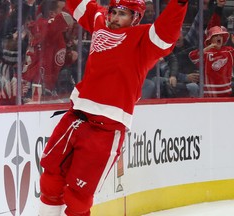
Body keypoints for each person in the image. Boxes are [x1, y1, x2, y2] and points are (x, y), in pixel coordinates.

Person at [38, 0, 188, 215]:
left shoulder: (144, 41)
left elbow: (166, 33)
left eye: (122, 14)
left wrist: (179, 4)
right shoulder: (100, 21)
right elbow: (79, 4)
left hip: (105, 130)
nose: (115, 18)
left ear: (135, 18)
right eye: (113, 12)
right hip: (75, 117)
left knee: (78, 197)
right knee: (50, 179)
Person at [189, 26, 234, 97]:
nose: (219, 37)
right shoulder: (206, 53)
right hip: (209, 92)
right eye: (215, 35)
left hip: (226, 91)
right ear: (210, 39)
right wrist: (207, 48)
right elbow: (192, 56)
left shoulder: (229, 51)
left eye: (221, 35)